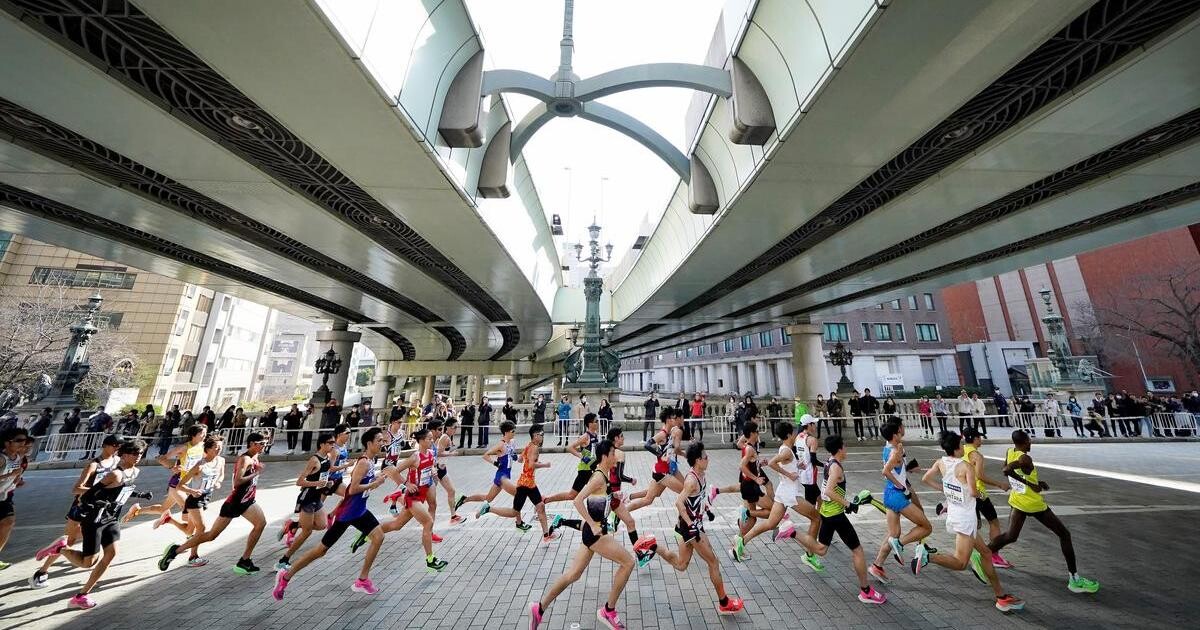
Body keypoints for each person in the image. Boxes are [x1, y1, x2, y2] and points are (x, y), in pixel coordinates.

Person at [528, 440, 637, 630]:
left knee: (573, 574)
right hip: (594, 534)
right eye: (613, 453)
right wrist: (592, 524)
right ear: (605, 456)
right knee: (628, 562)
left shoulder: (604, 475)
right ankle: (608, 611)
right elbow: (577, 500)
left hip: (593, 533)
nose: (616, 456)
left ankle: (539, 608)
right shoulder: (598, 477)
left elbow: (602, 499)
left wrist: (614, 499)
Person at [272, 427, 391, 600]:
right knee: (320, 551)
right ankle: (285, 576)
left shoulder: (371, 461)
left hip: (359, 511)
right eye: (379, 440)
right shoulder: (364, 462)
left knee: (379, 536)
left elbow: (361, 485)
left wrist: (375, 480)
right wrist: (374, 484)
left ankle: (362, 580)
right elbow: (353, 489)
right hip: (347, 513)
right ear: (369, 443)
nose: (382, 443)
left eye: (382, 440)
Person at [913, 431, 1025, 612]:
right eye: (961, 444)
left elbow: (925, 478)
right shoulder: (966, 466)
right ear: (957, 447)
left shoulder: (940, 462)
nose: (963, 447)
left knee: (986, 553)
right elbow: (973, 492)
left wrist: (945, 490)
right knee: (960, 563)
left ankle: (1001, 596)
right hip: (965, 519)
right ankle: (927, 556)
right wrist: (980, 494)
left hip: (956, 515)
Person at [987, 430, 1100, 594]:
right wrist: (1031, 485)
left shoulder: (1010, 451)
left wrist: (1037, 482)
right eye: (1029, 440)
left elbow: (1010, 470)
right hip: (1032, 503)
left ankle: (983, 553)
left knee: (1011, 536)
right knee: (1064, 534)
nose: (1031, 442)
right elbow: (1007, 470)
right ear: (1024, 442)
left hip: (1018, 500)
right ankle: (1075, 580)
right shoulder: (1025, 458)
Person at [644, 441, 746, 616]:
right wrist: (691, 524)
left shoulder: (701, 475)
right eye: (705, 456)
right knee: (713, 562)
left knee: (681, 565)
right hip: (691, 528)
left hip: (691, 526)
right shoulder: (691, 480)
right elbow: (679, 502)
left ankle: (651, 545)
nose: (708, 458)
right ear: (698, 460)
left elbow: (695, 499)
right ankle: (724, 603)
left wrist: (705, 509)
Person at [54, 439, 148, 609]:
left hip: (111, 518)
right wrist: (101, 502)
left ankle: (81, 595)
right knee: (88, 563)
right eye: (134, 453)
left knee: (111, 554)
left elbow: (121, 490)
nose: (138, 456)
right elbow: (89, 494)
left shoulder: (135, 471)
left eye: (141, 453)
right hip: (95, 519)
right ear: (124, 455)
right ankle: (60, 548)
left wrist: (140, 495)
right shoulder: (115, 474)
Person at [159, 432, 269, 575]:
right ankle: (176, 551)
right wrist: (256, 473)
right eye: (262, 444)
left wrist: (218, 481)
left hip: (247, 501)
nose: (264, 446)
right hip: (235, 503)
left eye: (265, 443)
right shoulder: (245, 459)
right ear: (252, 444)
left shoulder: (254, 457)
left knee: (261, 523)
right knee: (211, 535)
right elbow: (237, 482)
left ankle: (244, 561)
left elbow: (224, 475)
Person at [30, 433, 124, 588]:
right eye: (115, 445)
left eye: (120, 446)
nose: (117, 448)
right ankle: (42, 572)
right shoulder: (94, 465)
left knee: (83, 537)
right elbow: (76, 488)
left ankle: (58, 560)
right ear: (105, 445)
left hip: (98, 509)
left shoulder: (117, 461)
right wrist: (99, 492)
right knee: (69, 540)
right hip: (81, 508)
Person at [731, 420, 823, 572]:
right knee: (816, 518)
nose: (795, 435)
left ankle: (742, 541)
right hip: (790, 494)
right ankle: (809, 554)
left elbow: (782, 463)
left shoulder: (785, 449)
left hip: (782, 492)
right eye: (793, 433)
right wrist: (790, 474)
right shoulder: (786, 451)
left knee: (770, 524)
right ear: (789, 434)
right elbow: (773, 463)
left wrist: (797, 467)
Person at [367, 427, 450, 572]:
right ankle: (430, 560)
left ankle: (368, 531)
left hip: (421, 494)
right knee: (428, 522)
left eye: (432, 438)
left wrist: (433, 472)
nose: (432, 441)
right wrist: (406, 483)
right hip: (412, 497)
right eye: (429, 438)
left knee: (396, 525)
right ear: (421, 441)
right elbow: (395, 470)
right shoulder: (414, 457)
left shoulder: (431, 453)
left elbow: (429, 468)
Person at [864, 421, 931, 585]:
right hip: (897, 495)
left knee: (893, 533)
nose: (903, 429)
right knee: (926, 527)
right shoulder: (896, 451)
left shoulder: (889, 447)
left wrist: (907, 470)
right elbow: (886, 471)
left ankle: (877, 565)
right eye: (900, 428)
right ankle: (900, 544)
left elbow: (895, 469)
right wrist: (900, 486)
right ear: (895, 433)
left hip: (889, 494)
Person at [946, 427, 1013, 568]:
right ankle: (993, 555)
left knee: (973, 526)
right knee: (993, 522)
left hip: (963, 493)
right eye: (979, 437)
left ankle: (972, 553)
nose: (981, 440)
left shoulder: (960, 450)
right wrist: (1000, 484)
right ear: (975, 439)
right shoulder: (976, 455)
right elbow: (980, 476)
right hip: (978, 493)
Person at [124, 424, 207, 533]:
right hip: (177, 484)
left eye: (205, 433)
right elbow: (161, 458)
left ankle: (137, 510)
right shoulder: (184, 448)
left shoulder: (202, 447)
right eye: (202, 433)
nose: (204, 435)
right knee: (190, 511)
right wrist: (172, 467)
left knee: (163, 508)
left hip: (186, 483)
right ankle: (189, 532)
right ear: (193, 435)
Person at [274, 433, 337, 572]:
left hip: (316, 498)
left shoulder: (327, 457)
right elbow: (300, 482)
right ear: (322, 444)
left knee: (322, 525)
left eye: (334, 443)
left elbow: (323, 477)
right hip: (307, 498)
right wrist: (318, 483)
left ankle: (293, 524)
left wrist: (327, 483)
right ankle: (284, 560)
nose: (333, 445)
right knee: (306, 532)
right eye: (330, 442)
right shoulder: (314, 460)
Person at [459, 421, 531, 531]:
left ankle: (464, 499)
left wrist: (516, 457)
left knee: (488, 498)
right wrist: (495, 463)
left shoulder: (512, 442)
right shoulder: (500, 445)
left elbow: (513, 456)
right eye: (512, 431)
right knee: (518, 495)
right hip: (502, 476)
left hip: (506, 475)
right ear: (506, 432)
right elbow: (485, 455)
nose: (514, 433)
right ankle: (519, 522)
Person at [176, 436, 226, 567]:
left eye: (221, 447)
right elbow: (180, 485)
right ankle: (192, 556)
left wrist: (218, 482)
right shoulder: (200, 466)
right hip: (194, 500)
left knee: (190, 529)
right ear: (207, 449)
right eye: (216, 447)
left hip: (206, 498)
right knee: (201, 528)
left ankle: (178, 545)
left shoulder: (221, 461)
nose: (219, 449)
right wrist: (192, 491)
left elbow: (221, 475)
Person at [544, 413, 601, 506]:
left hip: (592, 468)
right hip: (585, 470)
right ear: (590, 424)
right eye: (596, 421)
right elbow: (570, 448)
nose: (598, 423)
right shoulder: (585, 437)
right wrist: (582, 457)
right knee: (572, 495)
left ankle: (596, 510)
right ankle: (546, 500)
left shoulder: (595, 435)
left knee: (599, 489)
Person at [0, 427, 32, 570]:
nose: (23, 444)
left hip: (4, 497)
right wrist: (10, 475)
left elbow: (14, 474)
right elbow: (9, 473)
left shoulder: (18, 458)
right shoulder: (1, 458)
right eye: (19, 440)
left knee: (8, 522)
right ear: (7, 443)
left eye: (24, 441)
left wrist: (17, 480)